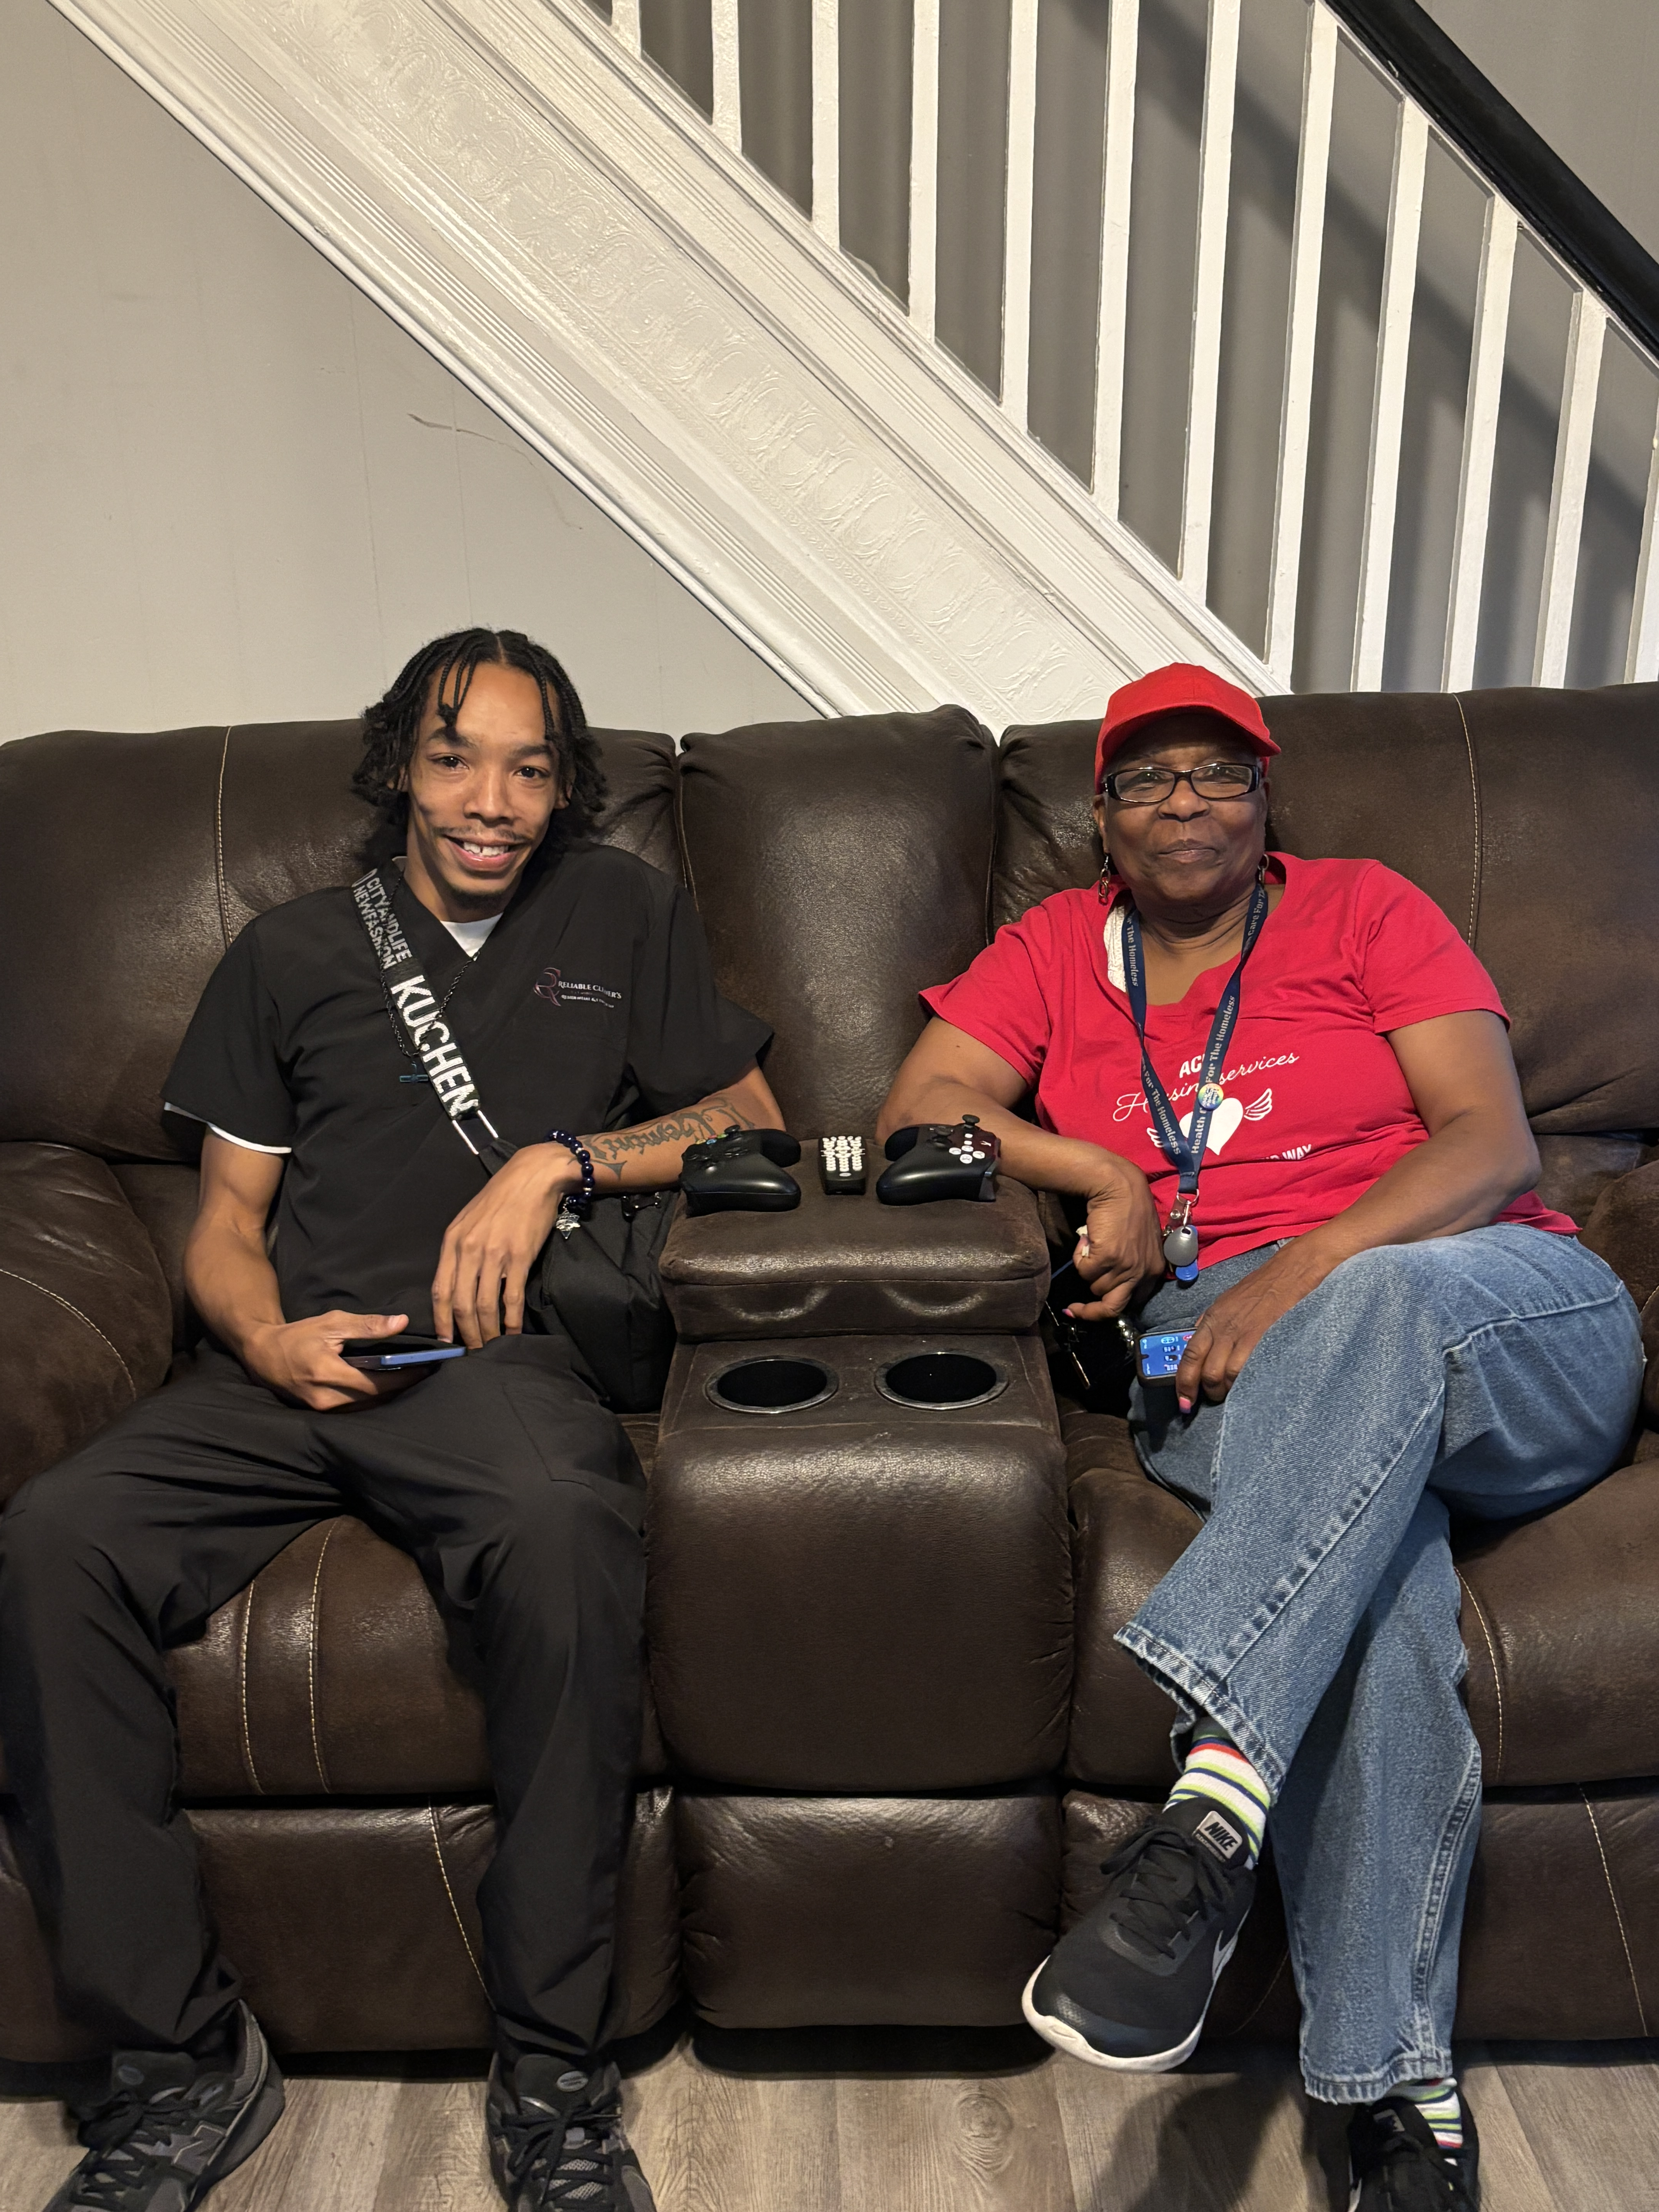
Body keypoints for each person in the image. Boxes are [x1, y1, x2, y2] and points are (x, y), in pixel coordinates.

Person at [0, 628, 781, 2212]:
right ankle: (175, 2064)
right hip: (285, 1372)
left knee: (567, 1531)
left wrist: (558, 1156)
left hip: (485, 1372)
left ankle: (555, 2073)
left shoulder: (620, 913)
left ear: (564, 787)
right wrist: (267, 1339)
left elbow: (746, 1123)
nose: (492, 798)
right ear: (397, 771)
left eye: (531, 764)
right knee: (53, 1537)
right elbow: (222, 1220)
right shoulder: (290, 951)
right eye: (454, 756)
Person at [878, 661, 1642, 2212]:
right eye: (1150, 778)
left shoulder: (1363, 910)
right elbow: (921, 1117)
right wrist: (1092, 1163)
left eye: (1219, 772)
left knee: (1374, 1314)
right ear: (1101, 817)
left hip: (1491, 1303)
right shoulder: (1053, 954)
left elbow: (1490, 1143)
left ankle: (1207, 1811)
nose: (1187, 800)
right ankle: (1397, 2098)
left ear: (1264, 795)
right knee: (1382, 1604)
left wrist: (1306, 1268)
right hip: (1222, 1360)